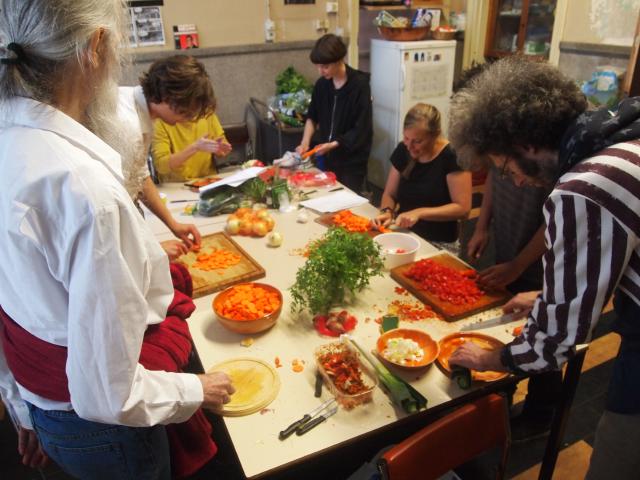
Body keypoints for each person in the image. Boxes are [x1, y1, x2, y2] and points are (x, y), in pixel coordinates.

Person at [0, 1, 234, 478]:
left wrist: (19, 400)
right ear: (98, 46)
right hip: (101, 428)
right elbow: (108, 392)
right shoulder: (86, 190)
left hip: (43, 400)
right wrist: (197, 390)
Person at [447, 56, 640, 479]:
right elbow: (617, 257)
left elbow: (555, 344)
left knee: (616, 463)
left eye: (504, 167)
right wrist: (547, 296)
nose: (513, 180)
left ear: (526, 141)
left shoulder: (583, 188)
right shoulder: (621, 141)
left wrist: (490, 356)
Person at [456, 63, 561, 439]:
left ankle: (539, 414)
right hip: (509, 243)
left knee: (542, 333)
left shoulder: (556, 168)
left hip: (539, 258)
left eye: (506, 167)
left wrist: (519, 265)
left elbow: (553, 227)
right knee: (513, 325)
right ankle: (502, 399)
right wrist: (482, 226)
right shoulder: (506, 147)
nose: (510, 176)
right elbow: (495, 189)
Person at [119, 55, 215, 260]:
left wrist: (173, 224)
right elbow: (114, 203)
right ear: (168, 97)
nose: (190, 117)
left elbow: (140, 176)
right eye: (188, 109)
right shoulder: (127, 124)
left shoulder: (140, 110)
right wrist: (152, 250)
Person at [373, 103, 471, 252]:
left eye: (418, 141)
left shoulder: (452, 156)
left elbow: (463, 209)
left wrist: (419, 213)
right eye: (406, 138)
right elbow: (390, 194)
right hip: (405, 233)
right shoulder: (403, 150)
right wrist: (387, 211)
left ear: (435, 135)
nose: (409, 146)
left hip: (439, 242)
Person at [296, 33, 373, 194]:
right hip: (327, 157)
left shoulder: (359, 85)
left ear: (339, 60)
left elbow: (362, 128)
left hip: (351, 159)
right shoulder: (322, 85)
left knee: (347, 200)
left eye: (325, 66)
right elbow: (312, 116)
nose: (320, 71)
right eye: (317, 66)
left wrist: (334, 144)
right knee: (326, 196)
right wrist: (305, 142)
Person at [151, 56, 231, 183]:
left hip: (207, 181)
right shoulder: (162, 119)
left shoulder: (206, 112)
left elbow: (220, 145)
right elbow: (161, 165)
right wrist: (195, 147)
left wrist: (220, 149)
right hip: (176, 186)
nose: (193, 115)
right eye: (187, 110)